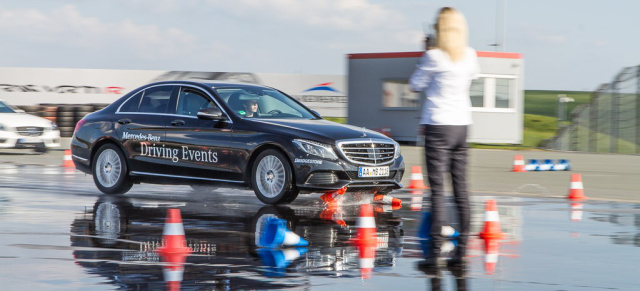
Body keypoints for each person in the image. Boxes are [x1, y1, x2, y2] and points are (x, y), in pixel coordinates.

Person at [409, 7, 480, 267]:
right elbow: (474, 76)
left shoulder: (434, 56)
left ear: (439, 29)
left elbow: (415, 84)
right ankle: (461, 256)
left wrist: (426, 52)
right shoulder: (470, 55)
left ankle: (436, 254)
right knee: (461, 190)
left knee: (438, 191)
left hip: (438, 126)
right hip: (462, 126)